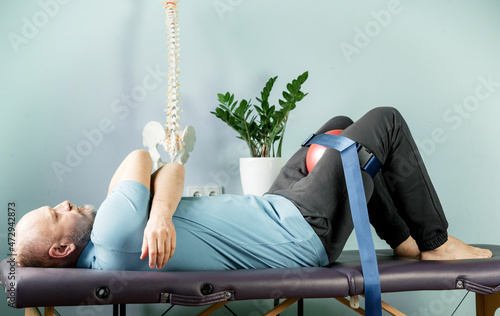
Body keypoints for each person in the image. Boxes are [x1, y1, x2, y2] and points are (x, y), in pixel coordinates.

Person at [14, 107, 492, 271]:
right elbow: (144, 158)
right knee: (382, 122)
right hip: (300, 232)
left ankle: (403, 240)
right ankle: (435, 242)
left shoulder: (109, 232)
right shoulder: (112, 233)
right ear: (60, 248)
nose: (65, 202)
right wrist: (158, 205)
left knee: (341, 128)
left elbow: (171, 167)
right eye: (57, 213)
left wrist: (160, 211)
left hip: (278, 206)